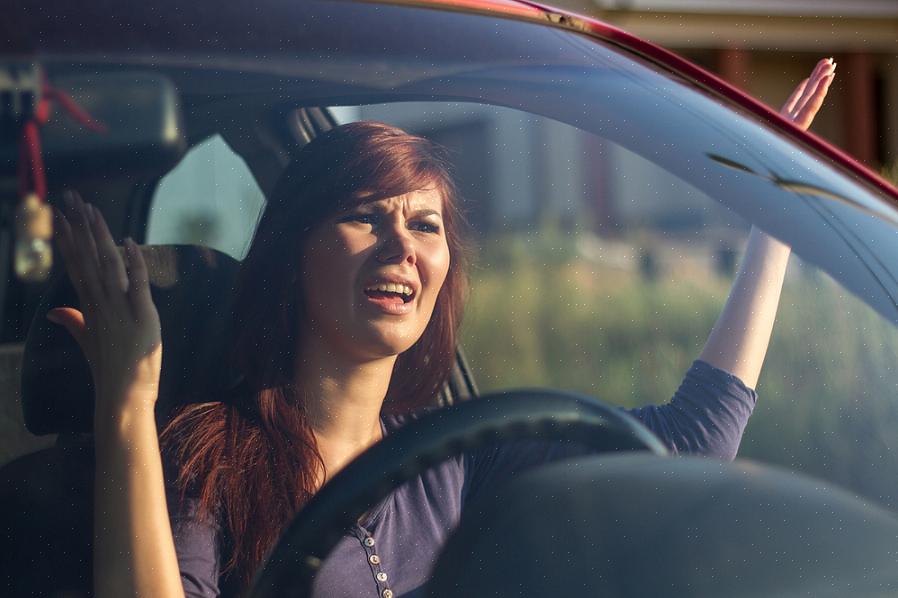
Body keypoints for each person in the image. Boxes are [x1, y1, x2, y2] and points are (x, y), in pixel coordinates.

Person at [47, 58, 837, 598]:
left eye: (425, 226)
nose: (402, 247)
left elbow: (694, 440)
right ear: (293, 254)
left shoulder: (458, 458)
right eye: (364, 216)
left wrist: (772, 224)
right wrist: (127, 393)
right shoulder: (209, 452)